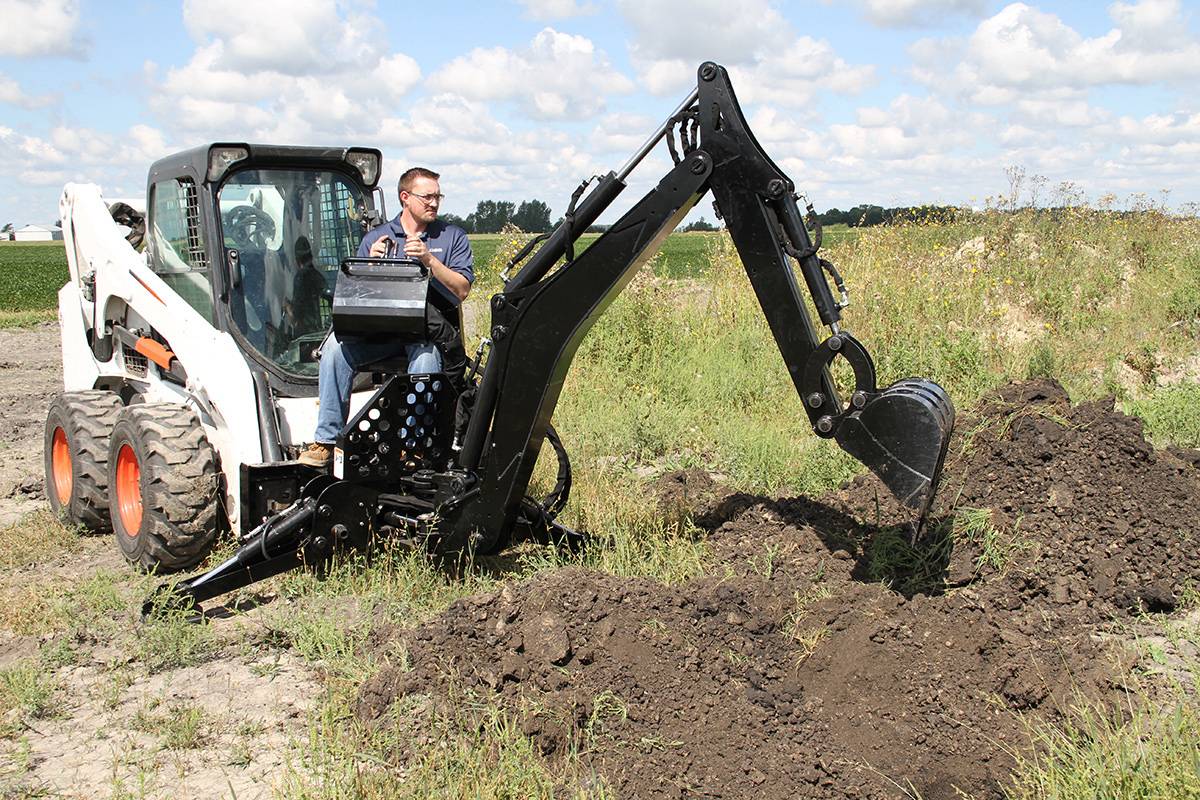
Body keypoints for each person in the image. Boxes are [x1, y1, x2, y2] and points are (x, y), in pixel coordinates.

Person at [299, 167, 474, 467]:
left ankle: (411, 446)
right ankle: (326, 441)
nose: (434, 203)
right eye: (427, 196)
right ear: (405, 198)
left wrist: (429, 261)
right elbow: (356, 294)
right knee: (334, 351)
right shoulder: (377, 238)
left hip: (424, 335)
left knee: (426, 361)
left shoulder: (452, 236)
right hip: (381, 335)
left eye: (438, 196)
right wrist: (371, 264)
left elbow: (461, 290)